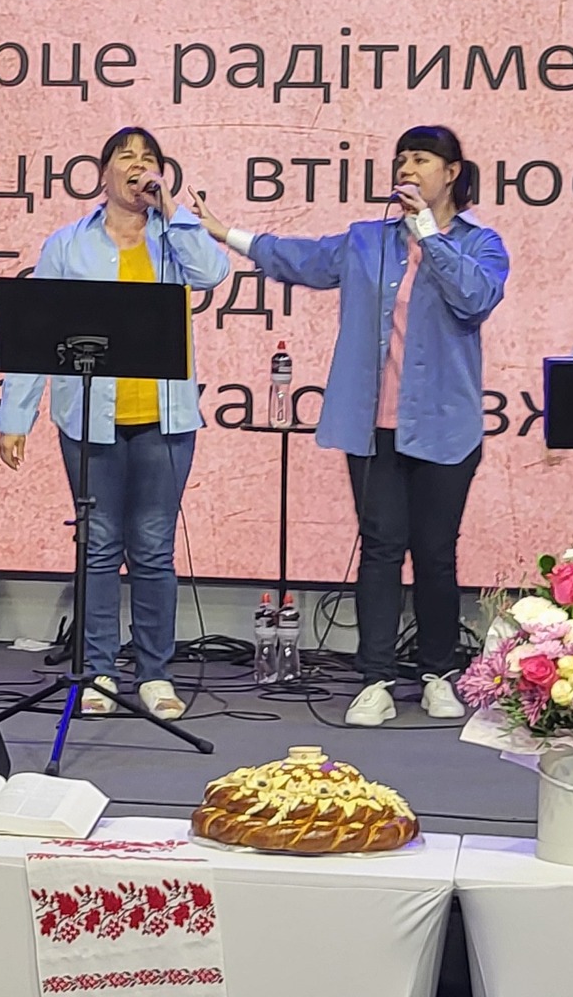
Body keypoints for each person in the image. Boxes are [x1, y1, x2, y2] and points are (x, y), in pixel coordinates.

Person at [203, 126, 508, 727]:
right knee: (380, 547)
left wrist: (429, 232)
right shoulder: (368, 240)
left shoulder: (482, 243)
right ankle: (375, 679)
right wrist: (228, 234)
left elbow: (475, 298)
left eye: (420, 159)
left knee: (436, 553)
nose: (406, 168)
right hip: (373, 425)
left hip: (444, 425)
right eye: (401, 159)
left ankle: (438, 673)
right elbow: (303, 259)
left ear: (451, 172)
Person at [0, 127, 228, 721]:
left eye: (149, 158)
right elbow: (38, 333)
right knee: (97, 548)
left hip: (164, 419)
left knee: (152, 549)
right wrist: (16, 415)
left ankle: (154, 673)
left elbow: (212, 273)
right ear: (103, 174)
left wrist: (174, 211)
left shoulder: (173, 237)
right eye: (127, 157)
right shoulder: (68, 244)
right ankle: (98, 670)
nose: (139, 165)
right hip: (89, 419)